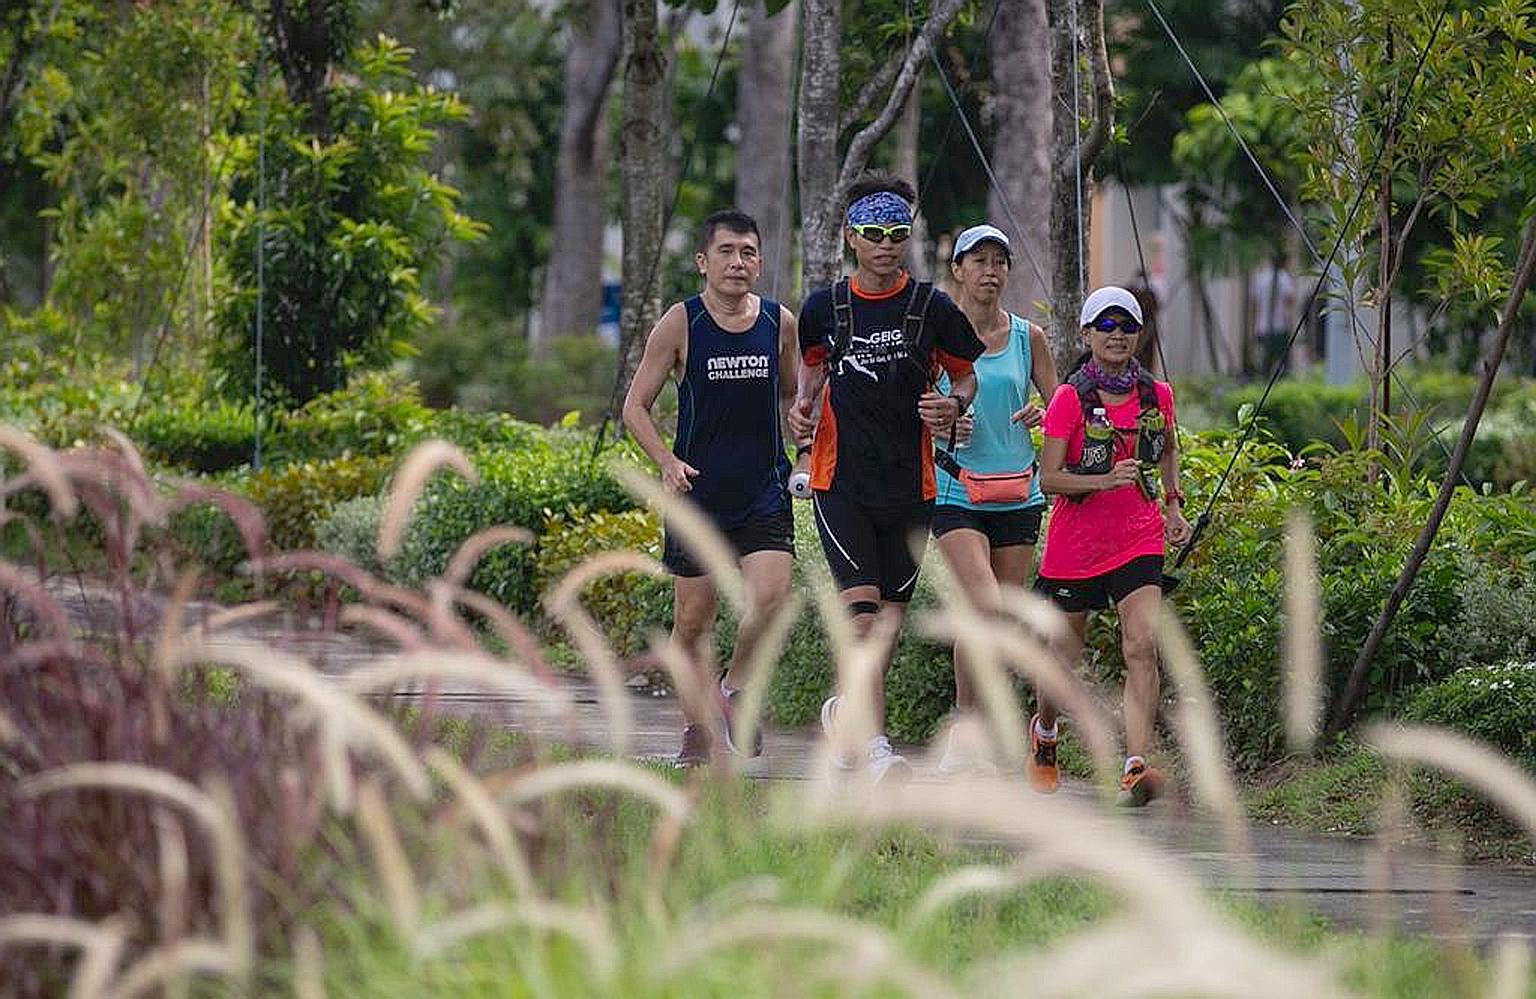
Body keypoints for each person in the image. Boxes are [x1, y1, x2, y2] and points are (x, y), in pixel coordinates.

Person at [788, 173, 985, 784]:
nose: (885, 243)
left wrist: (954, 406)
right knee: (864, 621)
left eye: (897, 233)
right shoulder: (824, 309)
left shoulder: (934, 308)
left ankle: (846, 710)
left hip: (912, 486)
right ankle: (876, 751)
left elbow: (965, 377)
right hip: (840, 482)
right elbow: (811, 379)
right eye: (873, 233)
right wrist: (801, 408)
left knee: (889, 626)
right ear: (851, 238)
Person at [622, 209, 798, 767]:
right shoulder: (681, 323)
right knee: (693, 623)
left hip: (764, 487)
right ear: (703, 261)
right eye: (725, 251)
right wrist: (666, 462)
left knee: (771, 598)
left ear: (760, 262)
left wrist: (805, 426)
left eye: (748, 252)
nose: (737, 262)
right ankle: (696, 730)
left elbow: (793, 398)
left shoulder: (779, 322)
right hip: (697, 493)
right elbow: (635, 408)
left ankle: (735, 688)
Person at [1032, 286, 1192, 805]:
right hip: (1076, 544)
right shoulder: (1069, 399)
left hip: (1138, 537)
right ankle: (1045, 733)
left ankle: (1134, 764)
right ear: (1087, 335)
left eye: (1127, 326)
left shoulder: (1157, 395)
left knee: (1141, 644)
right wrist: (1102, 481)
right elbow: (1049, 480)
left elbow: (1166, 450)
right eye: (1106, 325)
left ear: (1139, 334)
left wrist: (1172, 506)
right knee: (1062, 657)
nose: (1117, 334)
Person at [930, 224, 1058, 775]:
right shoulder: (933, 336)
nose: (990, 271)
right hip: (955, 488)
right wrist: (940, 424)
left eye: (999, 262)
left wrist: (1043, 414)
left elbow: (1064, 409)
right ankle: (967, 726)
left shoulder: (1030, 337)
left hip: (1017, 492)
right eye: (977, 260)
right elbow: (909, 406)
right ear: (957, 269)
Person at [1248, 253, 1297, 378]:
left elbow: (1254, 305)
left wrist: (1253, 327)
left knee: (1265, 364)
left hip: (1262, 327)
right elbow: (1290, 302)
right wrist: (1290, 324)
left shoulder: (1260, 278)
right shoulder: (1283, 278)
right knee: (1284, 365)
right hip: (1279, 328)